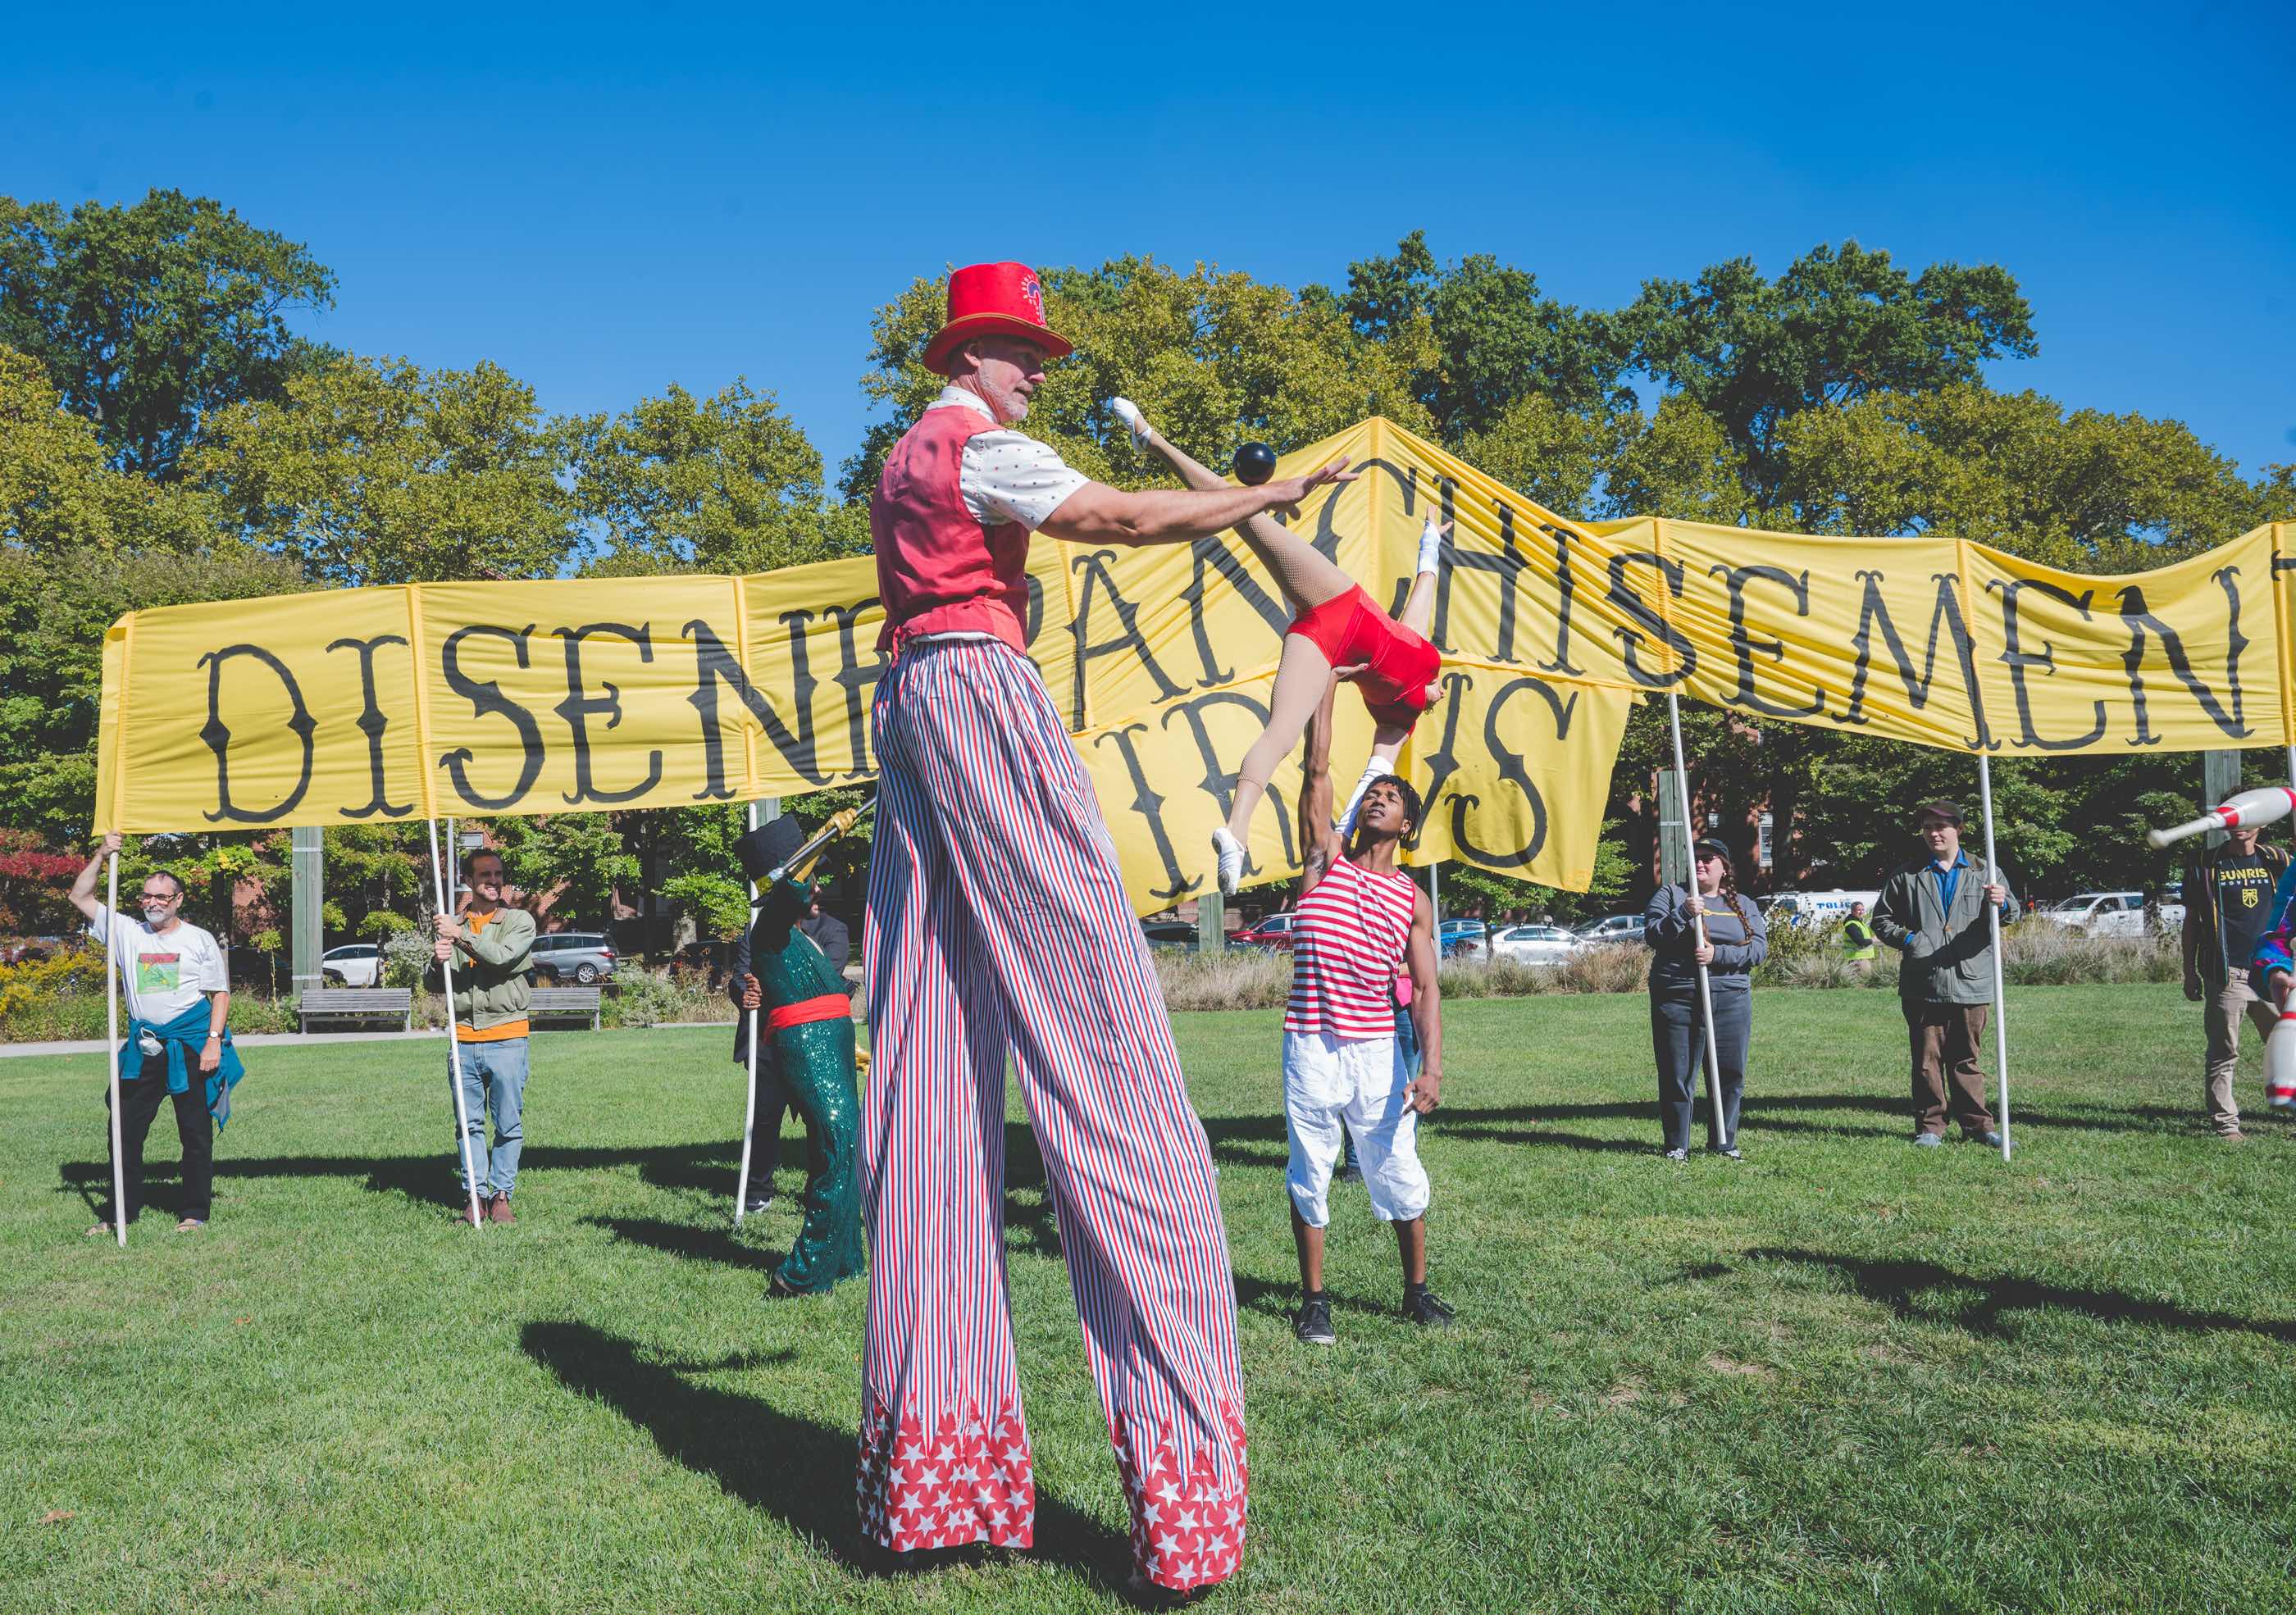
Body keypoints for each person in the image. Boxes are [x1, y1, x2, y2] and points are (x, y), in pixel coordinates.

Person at [859, 262, 1348, 1590]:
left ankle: (937, 1480)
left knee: (930, 1070)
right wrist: (1262, 498)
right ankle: (1184, 1504)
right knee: (1109, 1057)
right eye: (1021, 350)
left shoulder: (902, 460)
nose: (1036, 371)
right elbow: (1122, 518)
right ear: (971, 354)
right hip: (975, 701)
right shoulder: (982, 444)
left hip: (904, 713)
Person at [1118, 398, 1446, 895]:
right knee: (1245, 517)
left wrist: (1342, 831)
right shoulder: (1423, 661)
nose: (1445, 692)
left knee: (1282, 732)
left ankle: (1236, 833)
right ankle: (1154, 440)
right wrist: (1430, 543)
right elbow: (1424, 588)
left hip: (1325, 641)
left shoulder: (1401, 722)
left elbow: (1371, 779)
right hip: (1338, 600)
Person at [1281, 674, 1450, 1346]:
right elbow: (1316, 767)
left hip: (1380, 1047)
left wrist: (1432, 1068)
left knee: (1398, 1167)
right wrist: (1321, 677)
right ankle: (1314, 1303)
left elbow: (1429, 990)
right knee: (1310, 1167)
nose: (1378, 798)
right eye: (1373, 794)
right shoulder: (1324, 862)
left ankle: (1416, 1292)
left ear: (1406, 824)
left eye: (1390, 797)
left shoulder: (1413, 900)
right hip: (1311, 1044)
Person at [71, 830, 242, 1235]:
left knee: (195, 1134)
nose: (152, 903)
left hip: (190, 1046)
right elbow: (80, 897)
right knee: (124, 1132)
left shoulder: (198, 940)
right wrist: (101, 854)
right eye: (147, 896)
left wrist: (213, 1042)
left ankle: (194, 1212)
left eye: (161, 897)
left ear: (178, 900)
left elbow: (219, 994)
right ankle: (121, 1213)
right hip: (144, 1049)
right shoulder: (128, 932)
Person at [731, 815, 865, 1295]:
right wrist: (826, 837)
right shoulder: (769, 927)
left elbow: (832, 995)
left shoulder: (799, 935)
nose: (818, 888)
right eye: (811, 877)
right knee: (838, 1145)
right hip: (807, 1053)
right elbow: (788, 888)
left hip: (829, 1050)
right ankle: (801, 1272)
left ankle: (845, 1256)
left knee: (847, 1148)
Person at [1870, 802, 2017, 1147]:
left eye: (1941, 826)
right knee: (1926, 1061)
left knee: (1966, 1059)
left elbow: (2010, 917)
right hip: (1924, 982)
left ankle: (1979, 1126)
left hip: (1972, 980)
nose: (1934, 833)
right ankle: (1930, 1127)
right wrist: (1910, 940)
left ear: (1959, 830)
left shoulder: (1986, 871)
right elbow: (1881, 920)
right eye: (1927, 827)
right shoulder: (1907, 874)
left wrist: (2004, 903)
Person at [1642, 839, 1769, 1160]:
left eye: (1708, 859)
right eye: (1695, 858)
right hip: (1678, 995)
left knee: (1729, 1073)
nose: (1700, 864)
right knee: (1678, 1073)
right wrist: (1683, 914)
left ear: (1724, 867)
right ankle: (1677, 1145)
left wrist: (1717, 955)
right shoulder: (1671, 895)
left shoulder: (1743, 903)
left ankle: (1724, 1143)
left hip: (1730, 997)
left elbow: (1758, 950)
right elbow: (1653, 935)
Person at [432, 848, 535, 1225]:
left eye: (498, 874)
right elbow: (435, 984)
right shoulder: (453, 924)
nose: (494, 881)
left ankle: (501, 1195)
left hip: (507, 1037)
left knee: (508, 1123)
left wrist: (458, 936)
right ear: (469, 881)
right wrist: (437, 958)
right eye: (485, 875)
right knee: (468, 1124)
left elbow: (503, 958)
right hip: (462, 1039)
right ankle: (474, 1196)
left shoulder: (519, 921)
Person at [2184, 823, 2289, 1140]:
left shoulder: (2278, 860)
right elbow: (2192, 922)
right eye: (2233, 818)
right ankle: (2226, 1124)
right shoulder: (2204, 864)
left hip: (2273, 972)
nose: (2239, 826)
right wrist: (2189, 970)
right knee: (2223, 1051)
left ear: (2264, 821)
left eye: (2248, 817)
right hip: (2227, 972)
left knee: (2288, 1047)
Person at [1841, 901, 1878, 972]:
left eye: (1863, 910)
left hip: (1861, 958)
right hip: (1858, 959)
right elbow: (1861, 942)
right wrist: (1874, 940)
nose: (1861, 912)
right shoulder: (1851, 924)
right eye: (1859, 910)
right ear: (1852, 911)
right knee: (1865, 981)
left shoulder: (1859, 922)